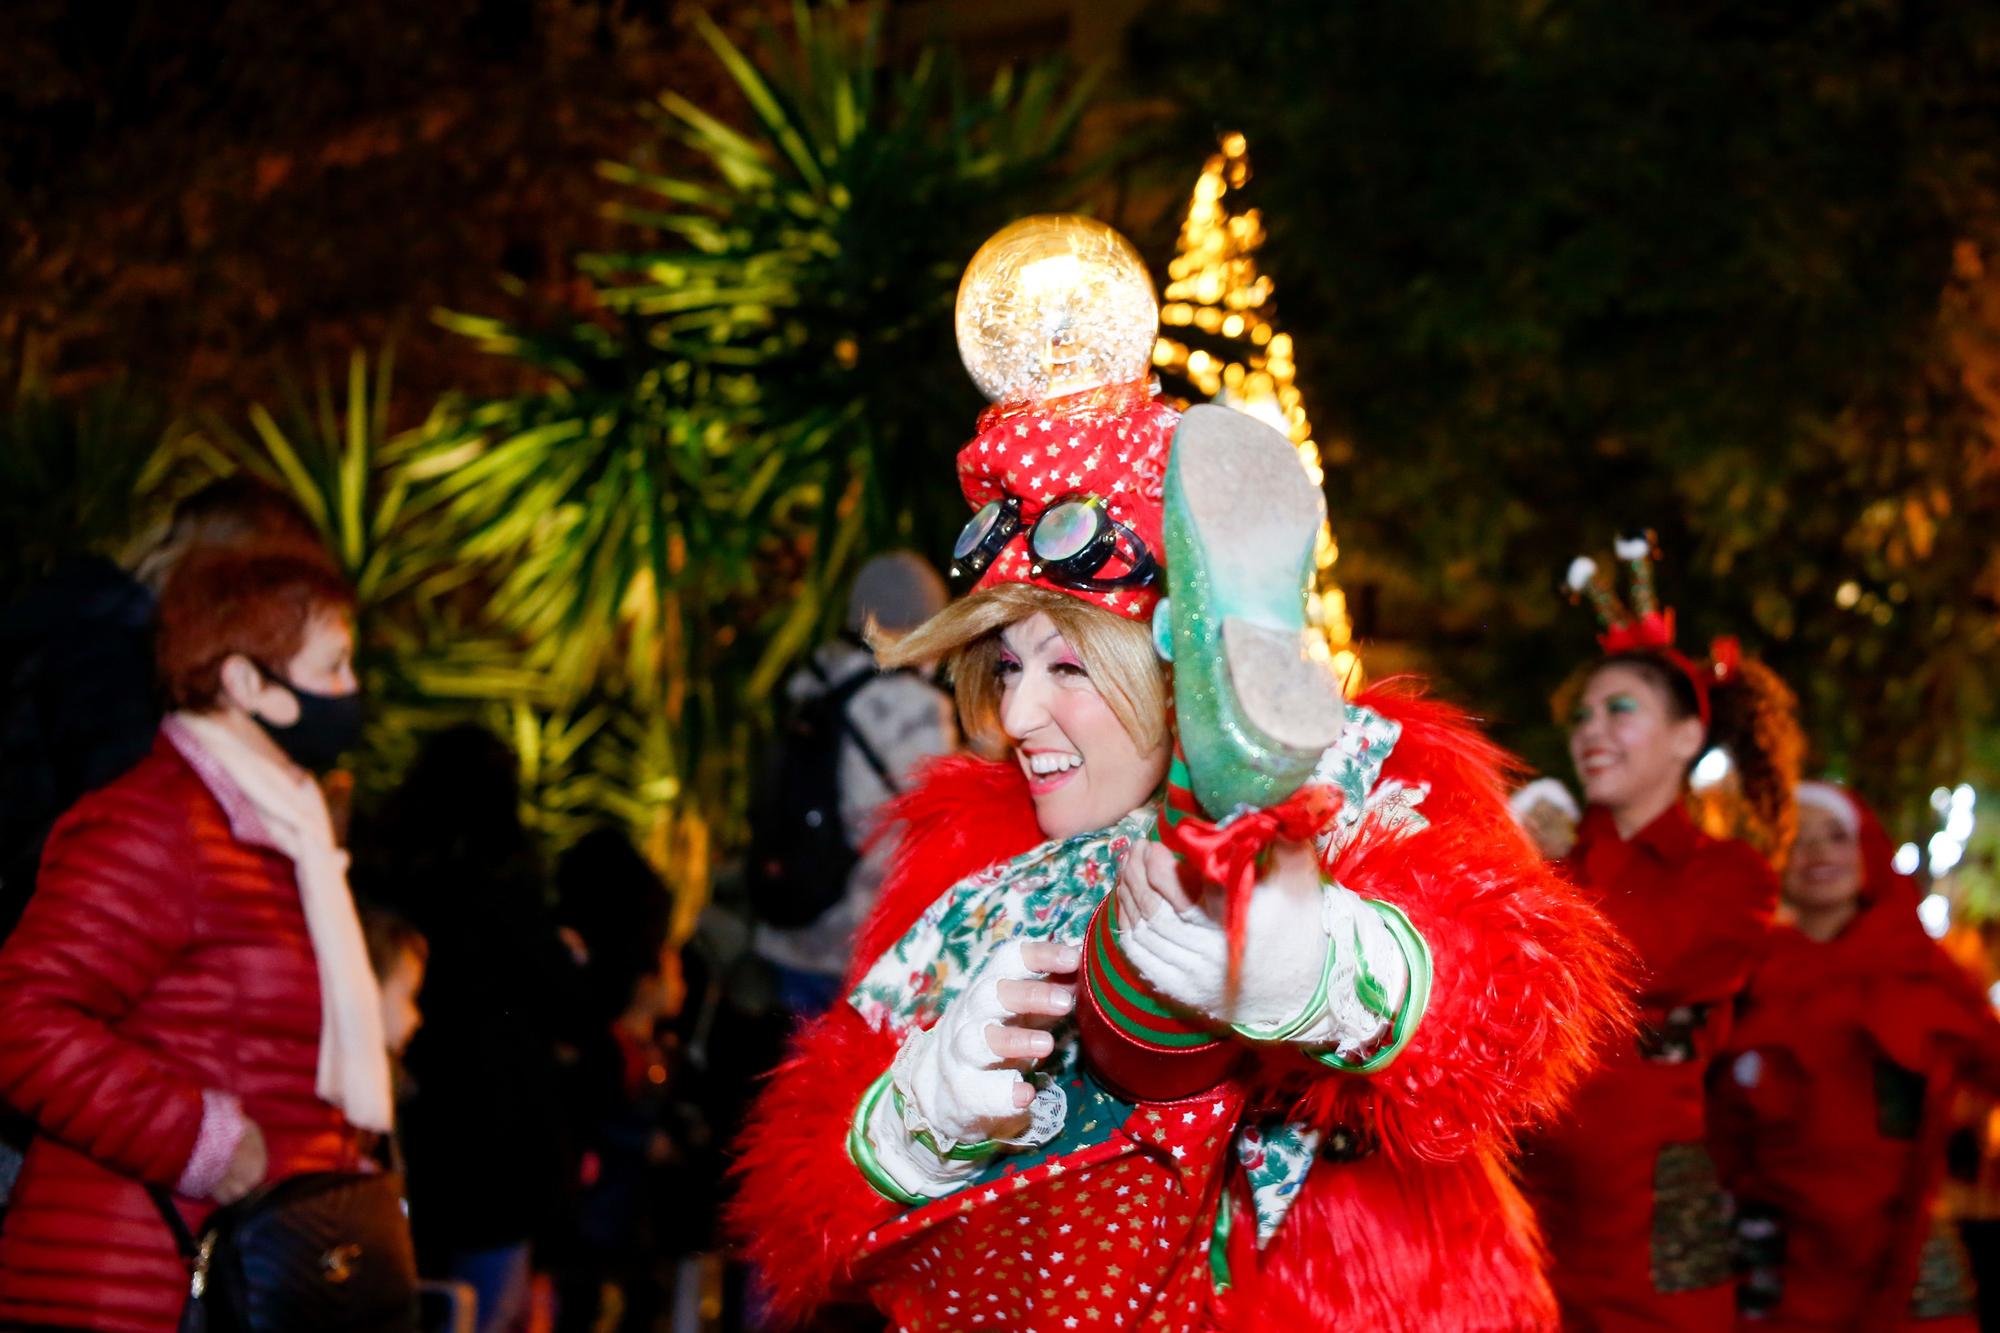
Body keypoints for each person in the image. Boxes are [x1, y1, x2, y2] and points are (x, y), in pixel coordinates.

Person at [730, 262, 1629, 1329]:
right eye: (1005, 669)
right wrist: (909, 1121)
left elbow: (1532, 1002)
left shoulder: (1359, 787)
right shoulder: (970, 870)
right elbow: (796, 1217)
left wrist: (1343, 971)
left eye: (1067, 669)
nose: (1017, 717)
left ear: (1173, 667)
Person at [0, 543, 392, 1332]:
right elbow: (20, 1017)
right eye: (335, 666)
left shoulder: (290, 834)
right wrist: (204, 1141)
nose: (353, 692)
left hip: (245, 1272)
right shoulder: (155, 824)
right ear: (247, 682)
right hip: (137, 1280)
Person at [1518, 543, 1802, 1331]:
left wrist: (1539, 874)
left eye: (1620, 709)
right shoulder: (1553, 860)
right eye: (1582, 715)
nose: (1590, 731)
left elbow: (1633, 958)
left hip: (1658, 1214)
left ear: (1686, 738)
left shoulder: (1736, 875)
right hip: (1539, 1197)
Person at [1711, 781, 2000, 1330]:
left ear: (1867, 854)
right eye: (1800, 840)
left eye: (1836, 837)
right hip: (1779, 1256)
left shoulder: (1923, 974)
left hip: (1904, 1247)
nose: (1819, 853)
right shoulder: (1741, 978)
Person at [351, 723, 569, 1333]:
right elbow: (562, 996)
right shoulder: (507, 883)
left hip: (411, 1117)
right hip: (496, 1138)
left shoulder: (383, 873)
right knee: (482, 1307)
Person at [750, 550, 959, 1015]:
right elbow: (934, 823)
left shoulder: (813, 680)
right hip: (856, 941)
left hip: (793, 918)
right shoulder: (917, 707)